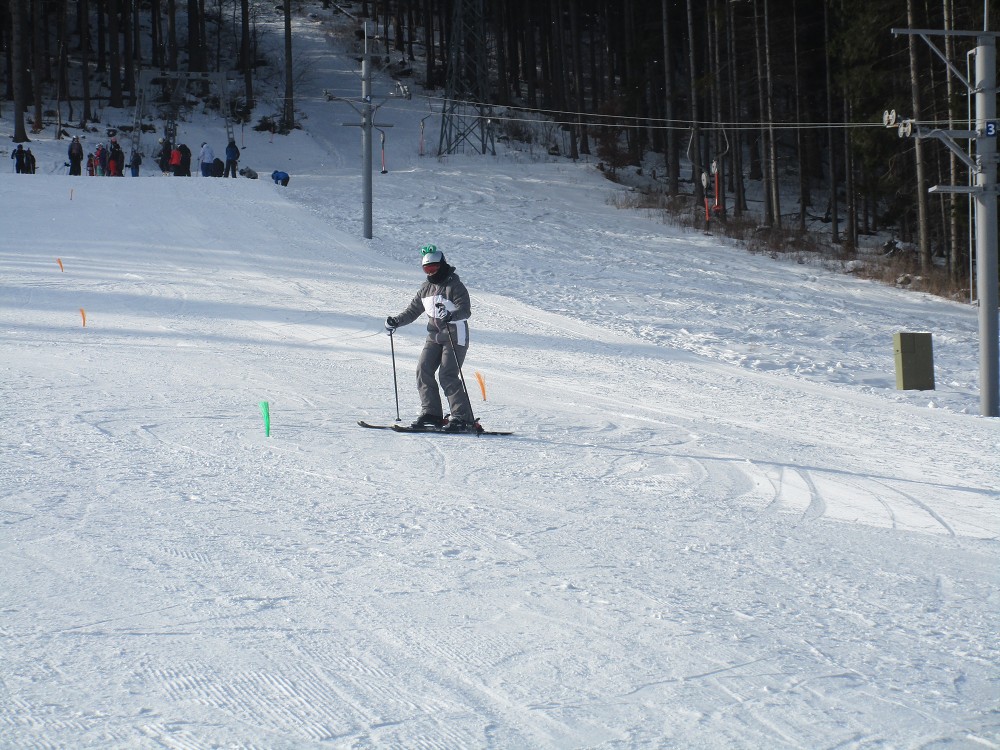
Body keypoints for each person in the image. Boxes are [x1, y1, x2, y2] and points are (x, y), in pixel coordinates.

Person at [384, 245, 477, 432]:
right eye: (427, 269)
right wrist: (396, 321)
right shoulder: (425, 289)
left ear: (442, 265)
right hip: (434, 336)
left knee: (447, 374)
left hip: (455, 335)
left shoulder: (455, 286)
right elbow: (412, 311)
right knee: (423, 370)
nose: (431, 272)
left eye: (434, 267)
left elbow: (465, 310)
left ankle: (462, 417)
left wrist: (451, 315)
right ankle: (431, 414)